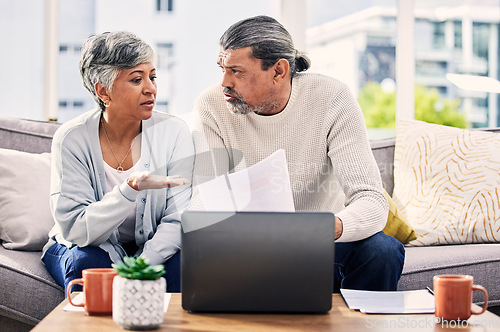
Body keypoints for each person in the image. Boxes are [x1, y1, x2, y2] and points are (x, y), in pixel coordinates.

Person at [189, 16, 404, 291]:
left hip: (322, 244)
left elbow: (371, 199)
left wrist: (330, 227)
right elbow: (206, 197)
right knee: (183, 255)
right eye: (222, 69)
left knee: (382, 251)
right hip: (244, 245)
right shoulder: (210, 106)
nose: (224, 83)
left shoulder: (332, 98)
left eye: (236, 71)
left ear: (279, 71)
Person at [42, 31, 194, 293]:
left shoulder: (174, 131)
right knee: (88, 265)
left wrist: (141, 266)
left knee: (186, 262)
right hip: (86, 245)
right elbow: (77, 229)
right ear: (104, 91)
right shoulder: (71, 139)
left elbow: (179, 217)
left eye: (152, 77)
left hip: (152, 246)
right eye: (137, 79)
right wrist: (128, 191)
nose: (151, 88)